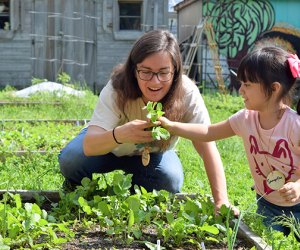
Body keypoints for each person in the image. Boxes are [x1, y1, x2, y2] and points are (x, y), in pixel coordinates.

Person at [58, 29, 232, 213]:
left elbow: (207, 145)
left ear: (175, 72)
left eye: (164, 72)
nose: (155, 82)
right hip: (108, 148)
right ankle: (76, 188)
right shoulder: (117, 89)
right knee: (72, 159)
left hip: (151, 156)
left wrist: (221, 200)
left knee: (170, 180)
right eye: (146, 72)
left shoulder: (186, 93)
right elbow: (90, 146)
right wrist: (121, 134)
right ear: (134, 70)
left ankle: (137, 189)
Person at [159, 46, 300, 237]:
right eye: (241, 83)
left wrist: (298, 186)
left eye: (248, 84)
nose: (240, 89)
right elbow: (208, 131)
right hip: (268, 204)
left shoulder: (294, 125)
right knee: (270, 240)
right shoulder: (245, 119)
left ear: (274, 89)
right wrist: (173, 126)